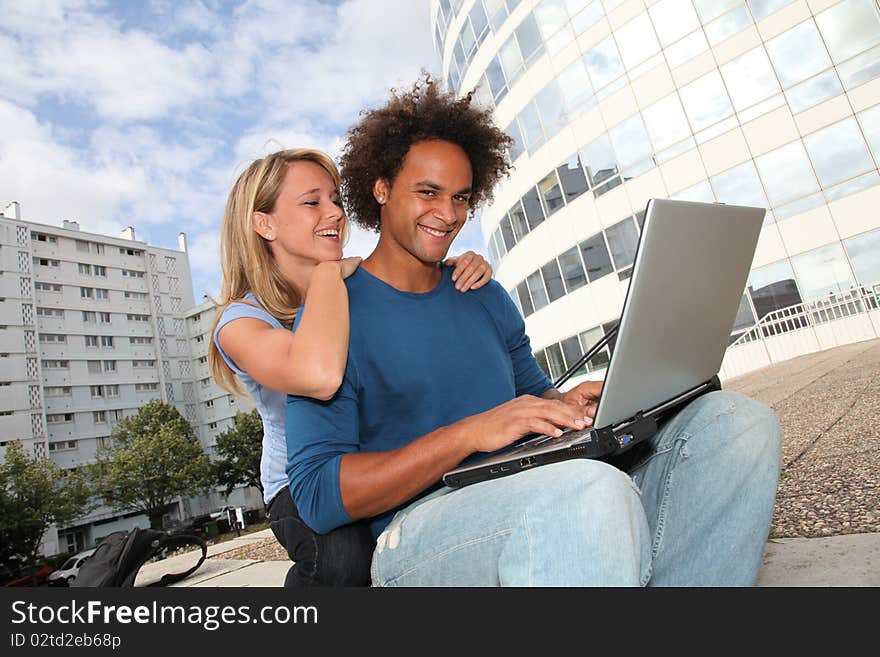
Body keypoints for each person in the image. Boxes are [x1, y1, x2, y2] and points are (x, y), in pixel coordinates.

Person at [285, 76, 782, 587]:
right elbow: (320, 497)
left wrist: (575, 405)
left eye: (461, 197)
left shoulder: (480, 292)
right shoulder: (335, 315)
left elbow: (533, 397)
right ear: (382, 187)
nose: (448, 214)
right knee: (586, 493)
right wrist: (469, 433)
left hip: (539, 485)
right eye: (428, 192)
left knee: (737, 423)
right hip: (418, 530)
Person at [208, 148, 495, 586]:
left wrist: (454, 271)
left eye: (336, 199)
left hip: (374, 456)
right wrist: (325, 278)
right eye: (312, 202)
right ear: (264, 223)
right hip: (303, 484)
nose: (334, 213)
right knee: (345, 558)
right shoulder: (241, 322)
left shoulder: (357, 282)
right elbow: (319, 376)